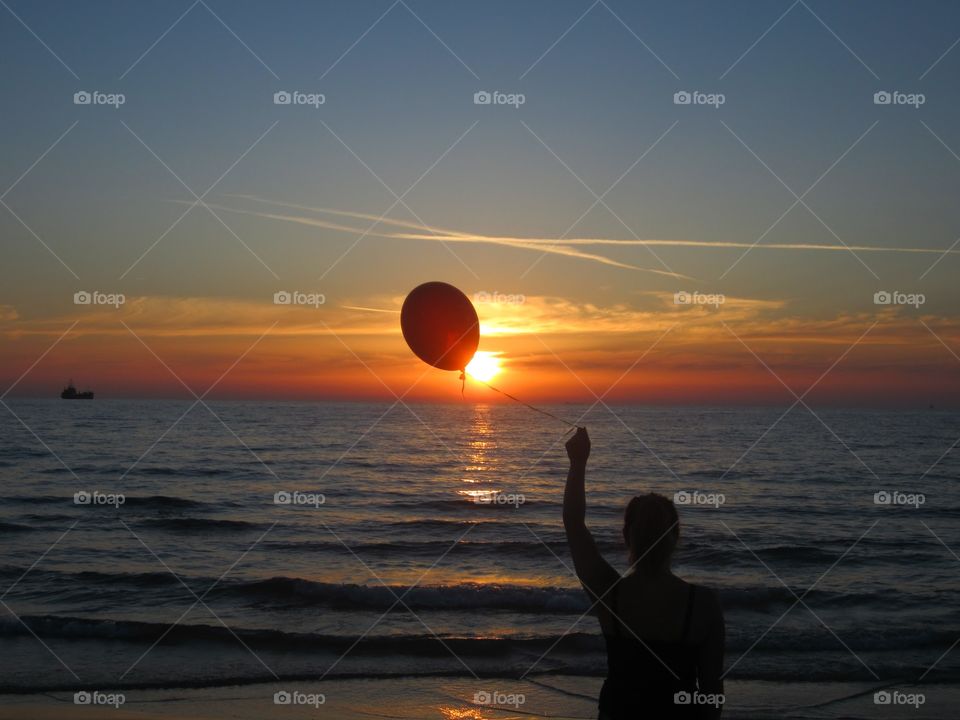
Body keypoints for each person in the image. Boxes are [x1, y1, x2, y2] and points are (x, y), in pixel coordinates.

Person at [563, 427, 725, 719]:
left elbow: (574, 525)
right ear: (676, 536)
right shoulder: (703, 605)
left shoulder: (610, 593)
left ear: (626, 537)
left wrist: (578, 462)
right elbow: (712, 695)